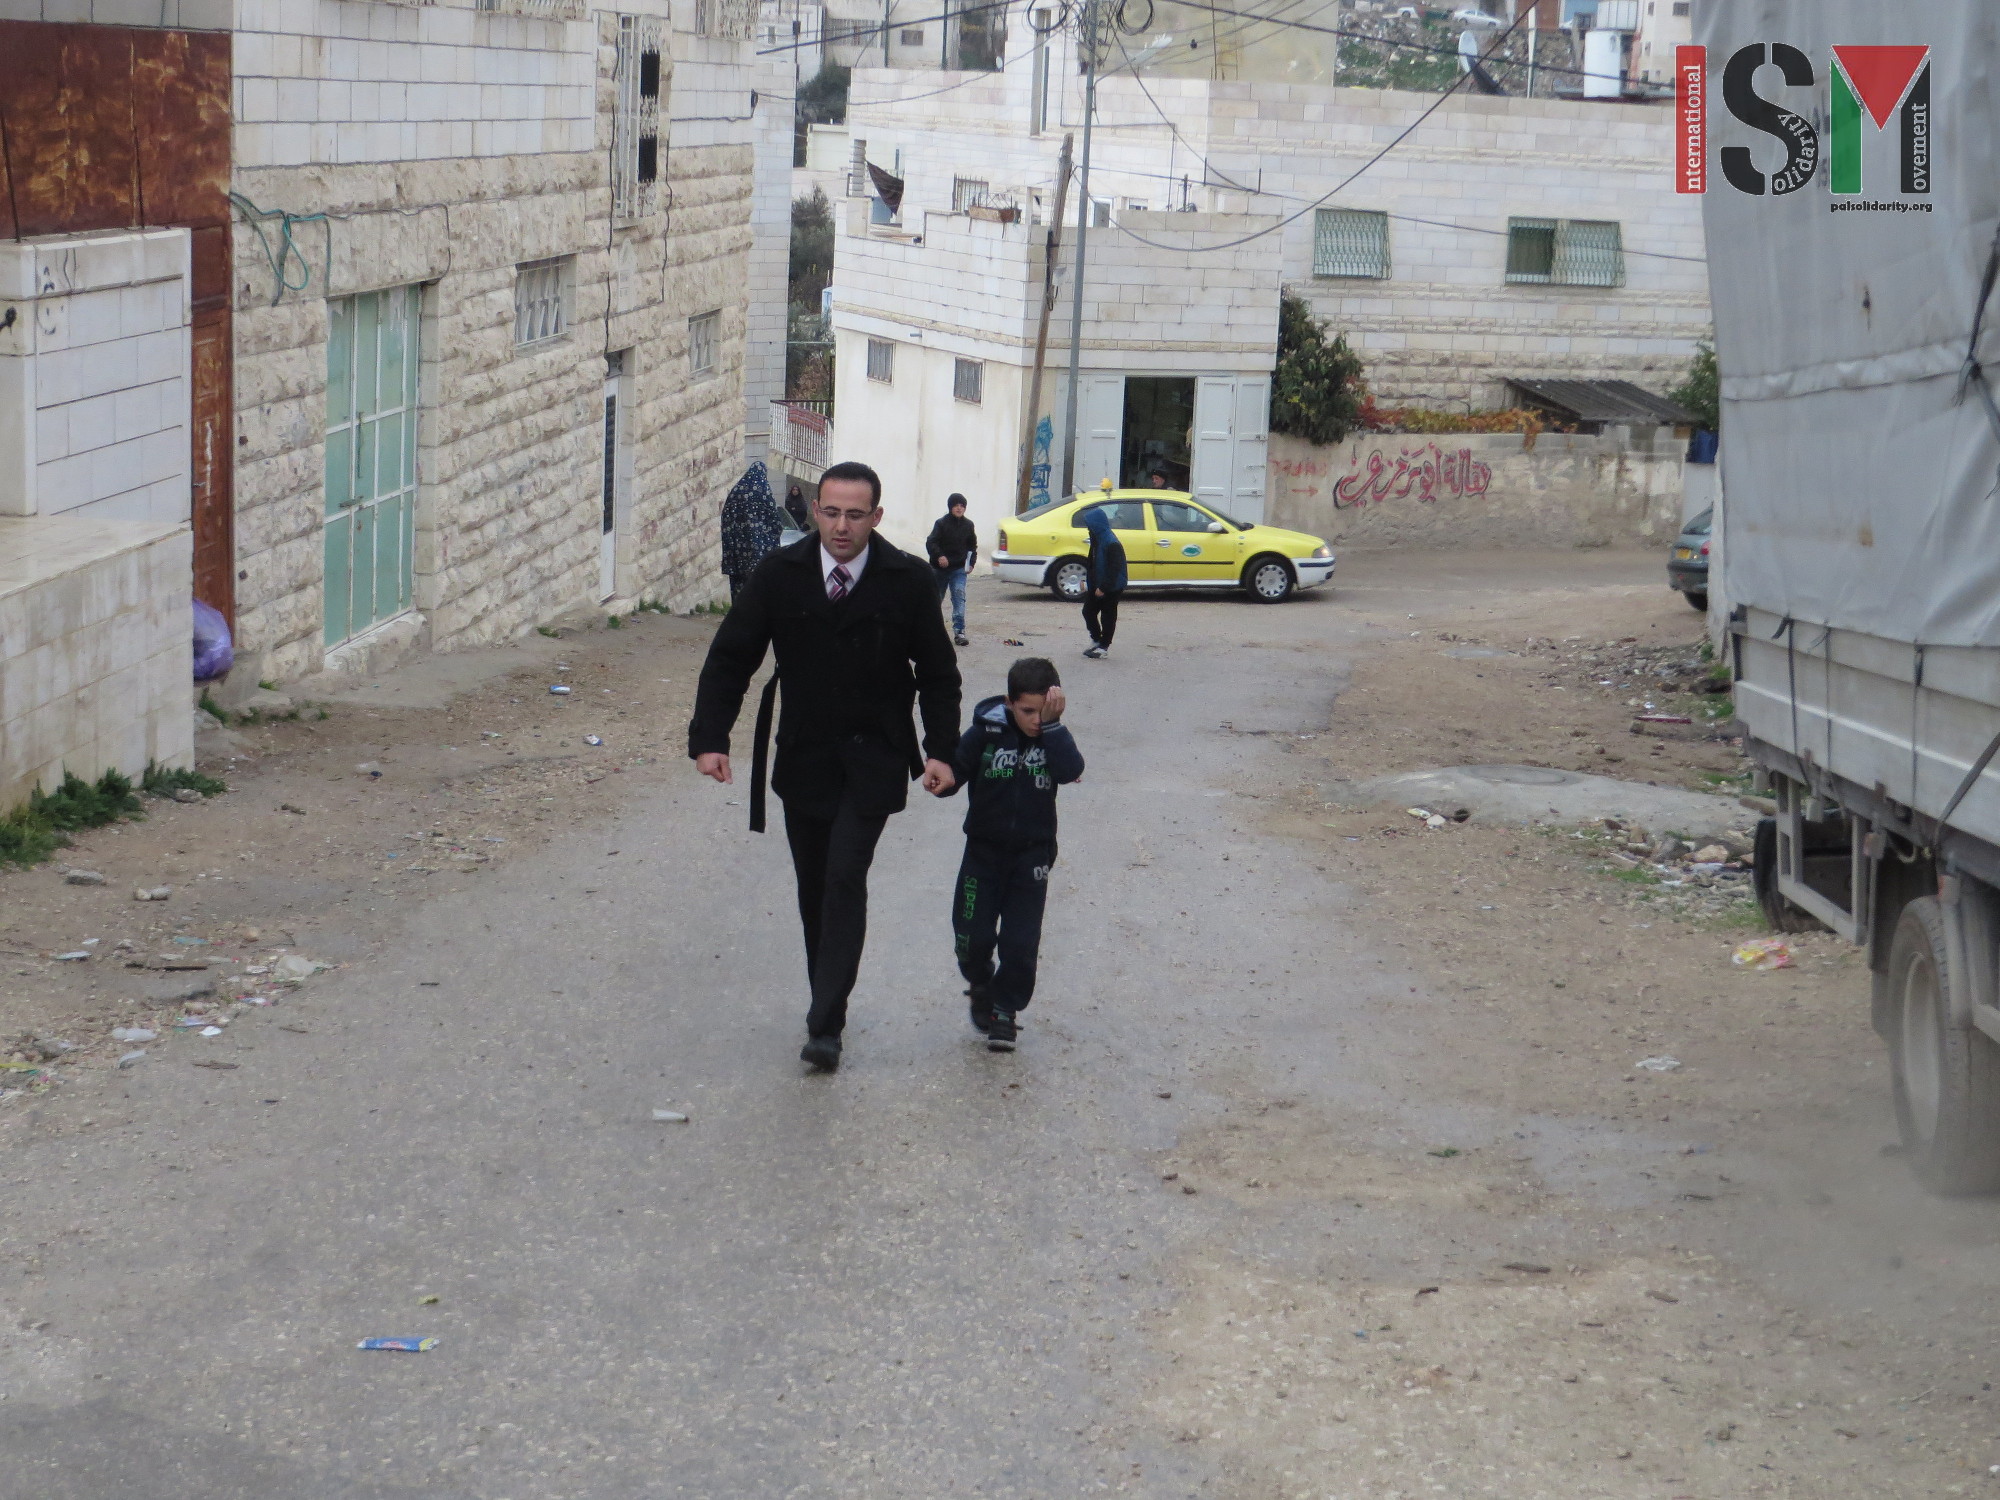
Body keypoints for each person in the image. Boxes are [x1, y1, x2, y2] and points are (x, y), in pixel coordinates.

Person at [688, 460, 962, 1073]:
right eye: (831, 512)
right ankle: (826, 997)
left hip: (875, 758)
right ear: (815, 511)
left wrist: (942, 750)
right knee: (814, 885)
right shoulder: (780, 575)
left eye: (855, 515)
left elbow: (939, 676)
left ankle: (825, 1023)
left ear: (877, 517)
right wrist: (710, 738)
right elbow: (732, 657)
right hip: (805, 756)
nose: (842, 526)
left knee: (844, 877)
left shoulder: (908, 581)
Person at [942, 657, 1084, 1051]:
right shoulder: (985, 732)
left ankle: (1005, 1009)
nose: (1035, 720)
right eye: (1027, 711)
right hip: (983, 853)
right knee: (970, 938)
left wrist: (1054, 727)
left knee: (1021, 945)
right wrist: (944, 778)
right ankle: (981, 982)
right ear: (1009, 703)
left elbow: (1071, 769)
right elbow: (956, 770)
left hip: (1032, 856)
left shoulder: (1053, 736)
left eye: (1044, 711)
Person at [720, 461, 786, 598]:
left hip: (736, 552)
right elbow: (775, 520)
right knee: (759, 586)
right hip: (759, 551)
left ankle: (740, 614)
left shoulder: (736, 491)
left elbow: (726, 517)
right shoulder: (763, 490)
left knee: (740, 587)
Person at [925, 493, 978, 647]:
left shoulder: (968, 525)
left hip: (959, 570)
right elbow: (931, 542)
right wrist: (939, 556)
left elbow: (972, 546)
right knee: (935, 600)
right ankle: (931, 631)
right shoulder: (941, 524)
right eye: (956, 505)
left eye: (962, 505)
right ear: (950, 507)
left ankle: (959, 632)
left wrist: (971, 563)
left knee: (959, 598)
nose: (959, 508)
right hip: (939, 570)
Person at [1080, 506, 1127, 660]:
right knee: (1088, 611)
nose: (1088, 528)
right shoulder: (1097, 540)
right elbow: (1093, 563)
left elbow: (1115, 568)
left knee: (1108, 616)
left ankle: (1104, 647)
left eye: (1089, 525)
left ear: (1096, 525)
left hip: (1112, 586)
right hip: (1097, 584)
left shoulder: (1111, 542)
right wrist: (1088, 582)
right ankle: (1096, 639)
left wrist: (1104, 588)